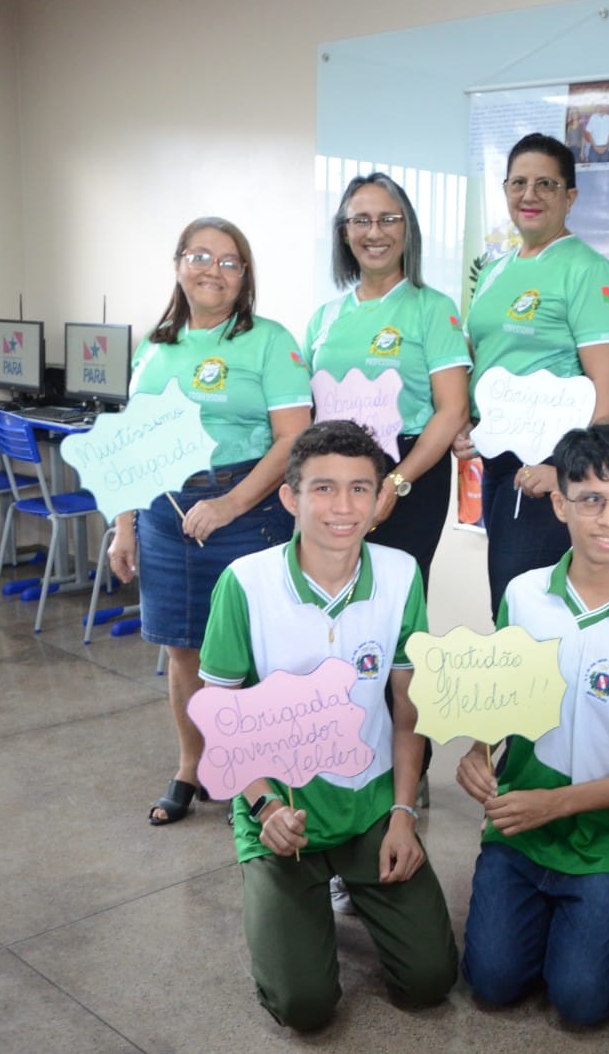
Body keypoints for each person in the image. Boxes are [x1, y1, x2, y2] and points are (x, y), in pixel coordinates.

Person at [201, 420, 458, 1030]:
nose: (342, 507)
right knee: (305, 1007)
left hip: (368, 805)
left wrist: (403, 815)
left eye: (359, 489)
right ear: (291, 497)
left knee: (430, 981)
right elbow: (219, 722)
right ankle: (293, 901)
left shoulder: (400, 575)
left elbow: (407, 708)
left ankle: (348, 880)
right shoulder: (245, 583)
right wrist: (264, 808)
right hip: (281, 811)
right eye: (323, 489)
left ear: (379, 499)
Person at [456, 425, 609, 1025]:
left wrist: (557, 804)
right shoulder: (522, 595)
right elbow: (503, 696)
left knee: (582, 1003)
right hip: (521, 826)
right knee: (492, 983)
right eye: (591, 500)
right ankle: (556, 915)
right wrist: (477, 748)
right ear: (560, 504)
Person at [108, 216, 312, 827]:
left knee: (250, 652)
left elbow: (292, 441)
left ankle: (253, 776)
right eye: (200, 256)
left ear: (244, 275)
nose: (212, 270)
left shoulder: (271, 342)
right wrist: (124, 526)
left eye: (228, 261)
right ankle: (192, 766)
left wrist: (229, 505)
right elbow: (132, 440)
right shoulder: (156, 345)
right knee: (183, 651)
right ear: (178, 265)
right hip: (165, 513)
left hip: (245, 508)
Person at [454, 133, 609, 616]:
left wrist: (565, 473)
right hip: (500, 468)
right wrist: (467, 426)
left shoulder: (587, 270)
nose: (529, 195)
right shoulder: (495, 270)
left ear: (569, 197)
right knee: (509, 605)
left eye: (546, 185)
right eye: (518, 183)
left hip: (550, 472)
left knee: (536, 619)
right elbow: (482, 362)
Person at [305, 172, 470, 595]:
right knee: (331, 596)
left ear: (407, 229)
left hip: (410, 471)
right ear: (344, 233)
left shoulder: (432, 308)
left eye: (388, 219)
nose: (374, 233)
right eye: (360, 221)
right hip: (332, 473)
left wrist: (395, 483)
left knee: (395, 602)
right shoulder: (324, 317)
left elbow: (452, 410)